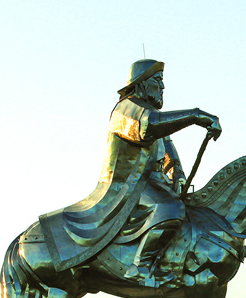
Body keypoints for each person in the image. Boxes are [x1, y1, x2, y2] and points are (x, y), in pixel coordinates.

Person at [39, 59, 221, 286]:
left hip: (153, 183)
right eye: (158, 81)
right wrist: (195, 116)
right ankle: (140, 267)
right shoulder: (126, 108)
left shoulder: (153, 116)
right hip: (128, 185)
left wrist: (178, 176)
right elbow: (147, 126)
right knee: (169, 207)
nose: (162, 87)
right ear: (142, 84)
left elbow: (169, 156)